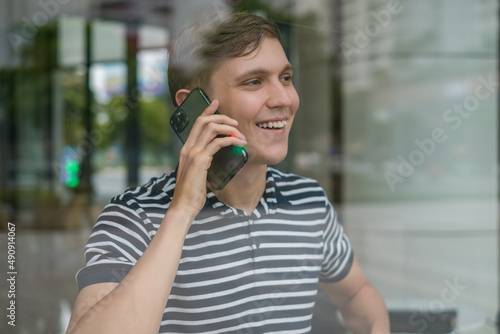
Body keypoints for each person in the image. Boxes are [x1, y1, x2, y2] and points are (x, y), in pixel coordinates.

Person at [67, 11, 390, 334]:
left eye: (286, 78)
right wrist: (181, 212)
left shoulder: (308, 202)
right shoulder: (133, 216)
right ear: (195, 107)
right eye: (254, 81)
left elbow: (357, 294)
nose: (284, 99)